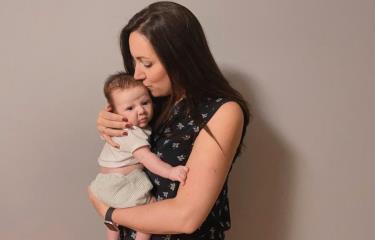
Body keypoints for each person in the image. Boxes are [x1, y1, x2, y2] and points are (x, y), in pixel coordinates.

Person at [89, 1, 250, 239]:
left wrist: (110, 214)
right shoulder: (151, 103)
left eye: (146, 63)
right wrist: (106, 121)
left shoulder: (223, 112)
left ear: (180, 57)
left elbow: (186, 217)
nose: (137, 74)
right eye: (134, 62)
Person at [90, 72, 189, 240]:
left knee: (113, 221)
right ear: (113, 112)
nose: (141, 111)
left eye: (145, 102)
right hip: (122, 183)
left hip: (102, 184)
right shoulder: (130, 131)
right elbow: (147, 158)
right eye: (130, 108)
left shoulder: (117, 128)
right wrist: (170, 172)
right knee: (149, 212)